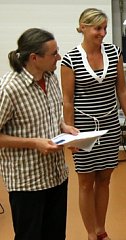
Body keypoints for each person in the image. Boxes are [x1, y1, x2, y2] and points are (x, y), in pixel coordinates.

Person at [61, 8, 126, 240]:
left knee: (104, 179)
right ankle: (89, 233)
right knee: (86, 182)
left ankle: (101, 230)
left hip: (110, 126)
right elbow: (68, 101)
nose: (103, 33)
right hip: (84, 128)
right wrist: (71, 135)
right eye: (98, 28)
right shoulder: (69, 59)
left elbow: (122, 90)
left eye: (105, 28)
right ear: (83, 27)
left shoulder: (114, 52)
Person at [0, 28, 79, 240]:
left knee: (55, 235)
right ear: (34, 58)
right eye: (54, 54)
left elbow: (51, 115)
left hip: (56, 176)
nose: (59, 57)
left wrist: (64, 128)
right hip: (27, 182)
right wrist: (34, 143)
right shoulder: (9, 88)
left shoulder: (51, 78)